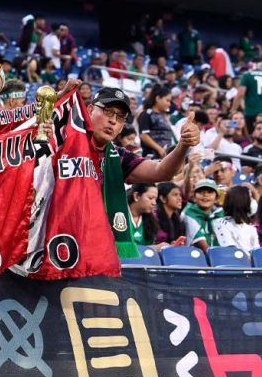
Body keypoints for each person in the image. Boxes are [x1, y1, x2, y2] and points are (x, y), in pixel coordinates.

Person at [85, 87, 200, 256]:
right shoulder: (64, 144)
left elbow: (162, 172)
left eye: (120, 117)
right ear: (89, 110)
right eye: (108, 112)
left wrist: (183, 145)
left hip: (97, 247)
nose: (113, 121)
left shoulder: (118, 156)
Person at [211, 185, 259, 255]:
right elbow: (230, 250)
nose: (253, 201)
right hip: (232, 263)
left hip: (250, 264)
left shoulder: (252, 228)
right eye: (250, 198)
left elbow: (256, 252)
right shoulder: (221, 223)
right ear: (241, 201)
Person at [182, 179, 224, 251]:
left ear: (216, 198)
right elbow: (203, 246)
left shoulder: (219, 213)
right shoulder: (189, 212)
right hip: (194, 257)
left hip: (215, 255)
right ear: (194, 197)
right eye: (201, 192)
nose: (205, 195)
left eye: (210, 192)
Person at [137, 85, 175, 159]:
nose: (169, 104)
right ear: (158, 98)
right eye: (167, 100)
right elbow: (144, 135)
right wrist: (159, 149)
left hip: (166, 156)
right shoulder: (147, 114)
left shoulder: (164, 116)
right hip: (152, 156)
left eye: (170, 101)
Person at [127, 183, 163, 247]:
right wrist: (151, 248)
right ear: (136, 196)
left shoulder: (150, 221)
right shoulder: (119, 216)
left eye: (155, 199)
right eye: (150, 198)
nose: (154, 203)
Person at [234, 64, 262, 133]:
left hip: (251, 112)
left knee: (252, 135)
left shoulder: (247, 75)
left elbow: (240, 94)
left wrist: (233, 109)